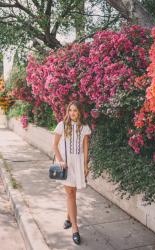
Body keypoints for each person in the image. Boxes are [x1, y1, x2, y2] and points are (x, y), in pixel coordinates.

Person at [53, 100, 92, 245]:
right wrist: (60, 161)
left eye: (75, 110)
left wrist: (85, 164)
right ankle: (75, 229)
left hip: (78, 164)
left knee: (73, 193)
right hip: (66, 164)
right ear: (67, 112)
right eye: (70, 110)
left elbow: (86, 146)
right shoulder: (62, 125)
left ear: (80, 112)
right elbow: (54, 145)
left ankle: (69, 218)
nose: (72, 113)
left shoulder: (85, 128)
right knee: (70, 194)